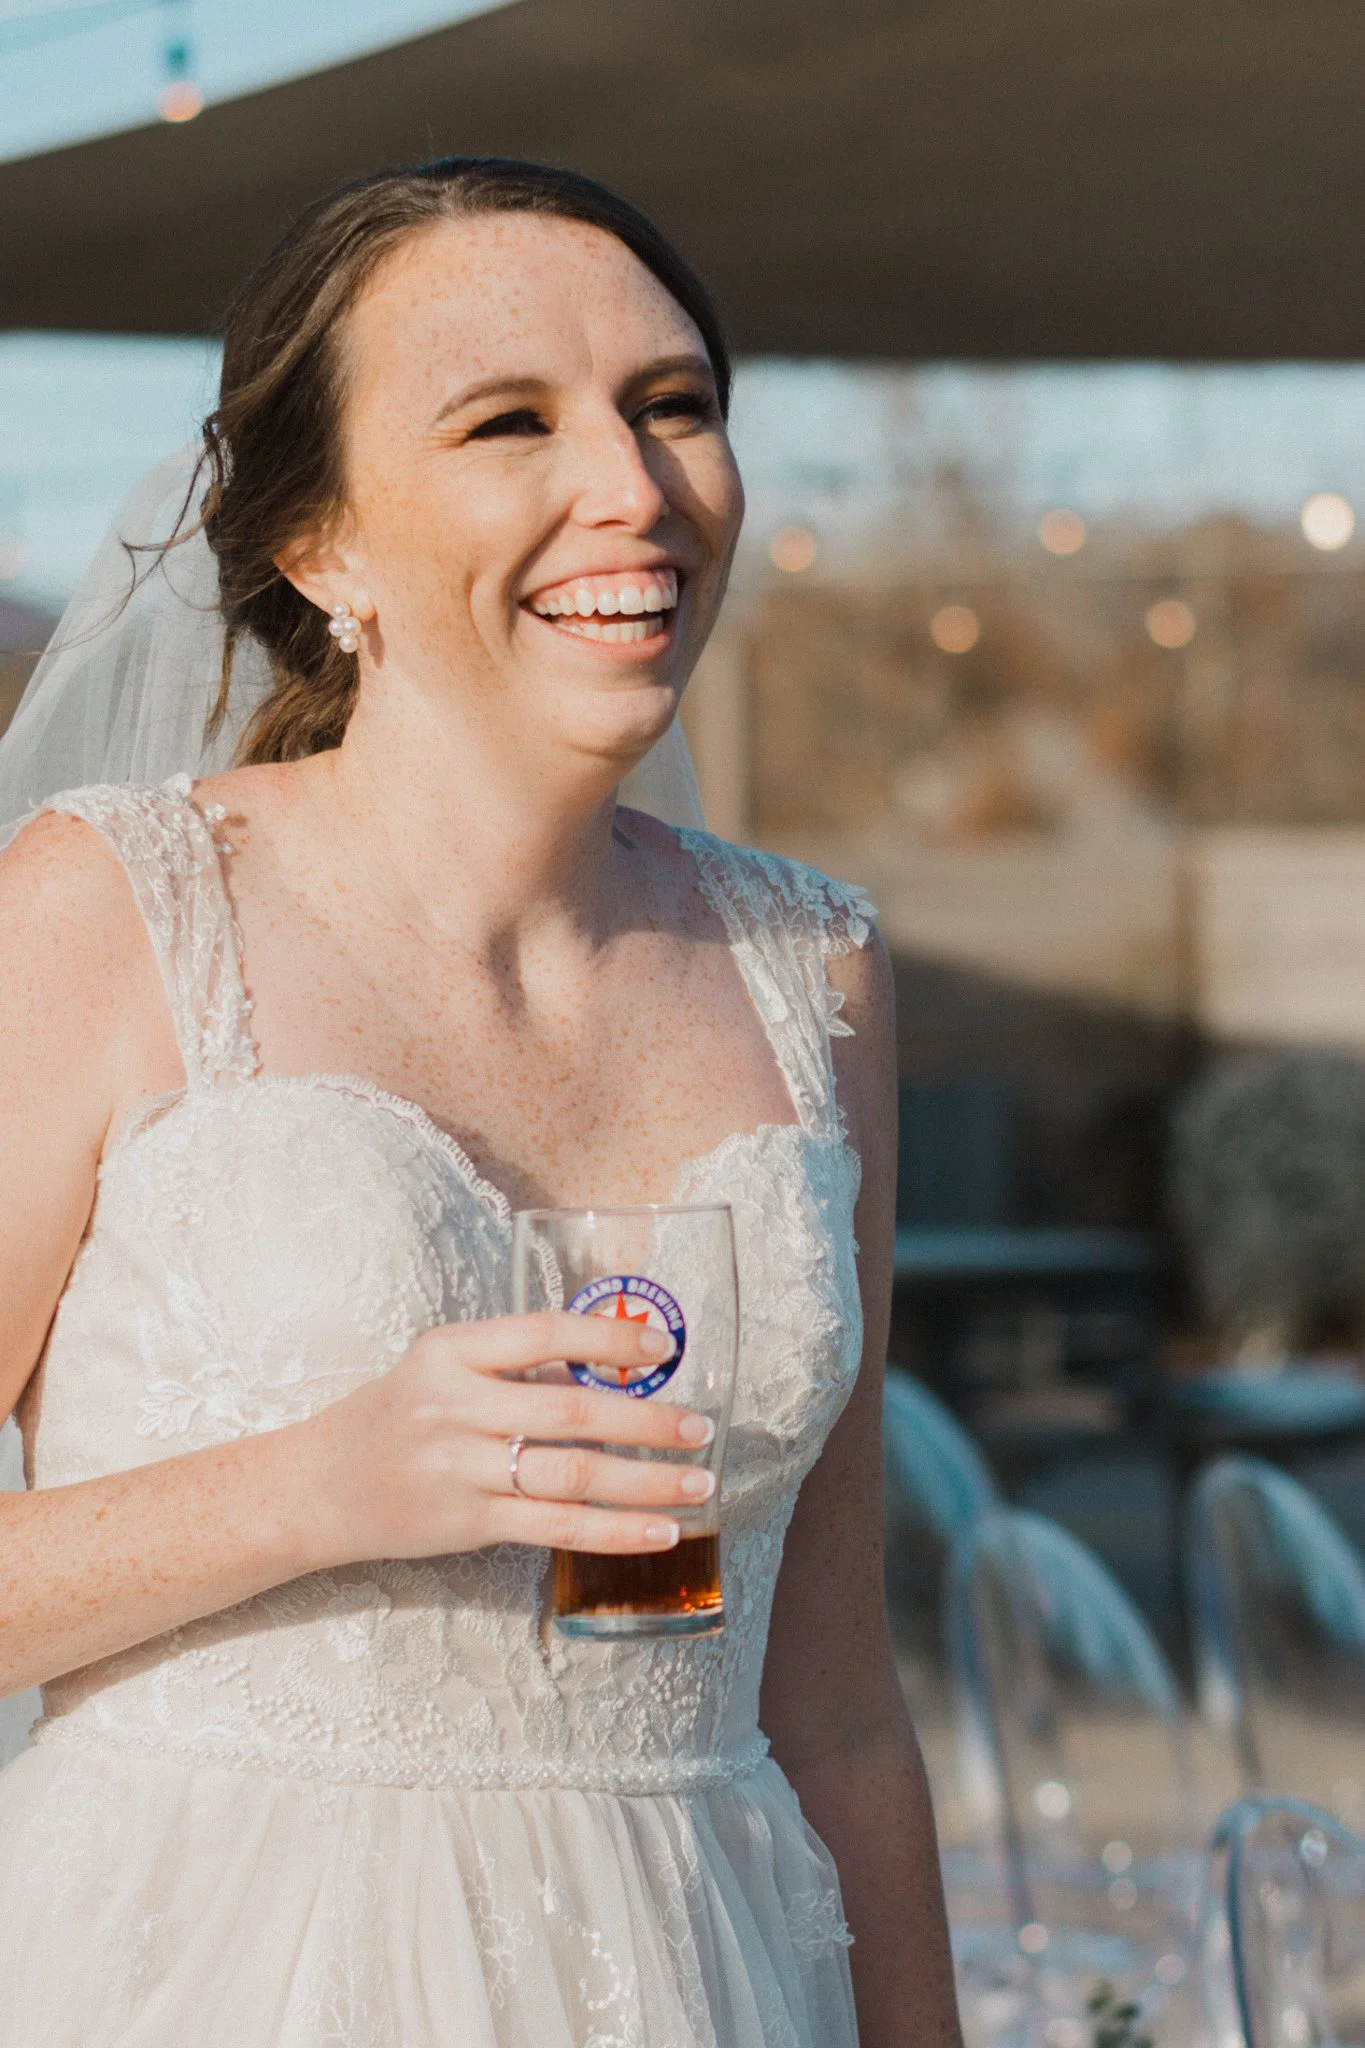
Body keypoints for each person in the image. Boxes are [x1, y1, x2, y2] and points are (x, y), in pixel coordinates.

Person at [0, 157, 960, 2046]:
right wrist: (312, 1488)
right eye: (508, 419)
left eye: (672, 405)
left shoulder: (815, 977)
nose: (634, 486)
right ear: (318, 547)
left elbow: (835, 1697)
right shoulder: (107, 914)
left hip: (702, 1979)